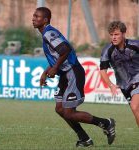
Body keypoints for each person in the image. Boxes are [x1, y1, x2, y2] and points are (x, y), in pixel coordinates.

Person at [32, 7, 116, 147]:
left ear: (45, 20)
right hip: (65, 74)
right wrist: (46, 71)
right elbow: (58, 54)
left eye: (37, 16)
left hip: (72, 72)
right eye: (34, 16)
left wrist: (55, 67)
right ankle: (84, 139)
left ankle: (106, 123)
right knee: (60, 109)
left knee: (69, 112)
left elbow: (65, 49)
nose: (33, 18)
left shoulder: (49, 33)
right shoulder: (46, 33)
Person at [100, 20, 139, 127]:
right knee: (135, 111)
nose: (114, 37)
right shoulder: (107, 50)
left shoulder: (135, 45)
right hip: (124, 85)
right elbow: (103, 70)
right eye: (111, 35)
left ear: (123, 34)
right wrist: (111, 85)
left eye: (116, 34)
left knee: (135, 107)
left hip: (137, 78)